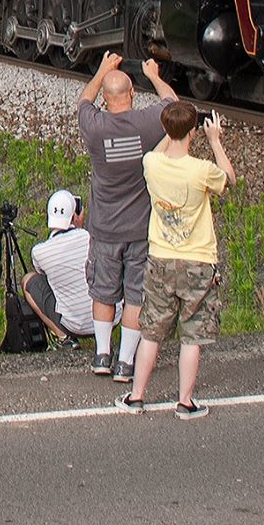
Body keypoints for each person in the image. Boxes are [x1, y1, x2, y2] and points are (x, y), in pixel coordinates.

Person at [118, 102, 237, 420]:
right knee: (192, 334)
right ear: (194, 132)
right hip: (197, 260)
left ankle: (136, 396)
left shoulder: (151, 163)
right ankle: (185, 402)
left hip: (160, 258)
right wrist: (215, 141)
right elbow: (230, 178)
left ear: (167, 130)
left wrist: (170, 134)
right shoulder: (201, 170)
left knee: (152, 332)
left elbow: (159, 151)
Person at [78, 50, 179, 381]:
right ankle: (125, 363)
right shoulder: (147, 124)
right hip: (139, 227)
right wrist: (153, 75)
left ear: (106, 100)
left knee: (103, 291)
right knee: (135, 294)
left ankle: (102, 355)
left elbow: (84, 99)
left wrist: (103, 69)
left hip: (105, 227)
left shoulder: (94, 127)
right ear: (132, 93)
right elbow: (173, 103)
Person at [25, 189, 94, 342]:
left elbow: (43, 275)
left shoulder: (39, 251)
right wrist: (80, 227)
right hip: (107, 318)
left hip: (72, 325)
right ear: (74, 215)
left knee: (28, 281)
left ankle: (63, 337)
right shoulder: (89, 237)